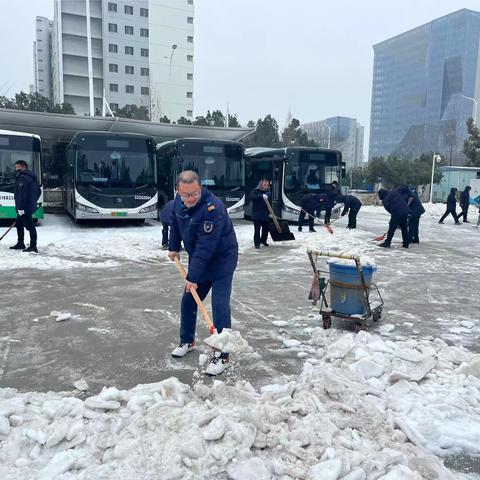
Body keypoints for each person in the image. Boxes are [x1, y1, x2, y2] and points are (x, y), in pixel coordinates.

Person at [168, 171, 238, 376]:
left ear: (200, 189)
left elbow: (206, 247)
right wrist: (173, 246)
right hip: (202, 261)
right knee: (188, 300)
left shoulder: (212, 208)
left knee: (219, 305)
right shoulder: (178, 203)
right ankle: (187, 341)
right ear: (178, 191)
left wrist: (193, 277)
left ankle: (223, 354)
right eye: (185, 195)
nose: (190, 199)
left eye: (194, 194)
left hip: (222, 261)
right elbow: (175, 224)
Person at [9, 160, 40, 253]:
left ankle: (33, 246)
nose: (16, 169)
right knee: (19, 224)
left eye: (17, 167)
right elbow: (38, 192)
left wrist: (21, 208)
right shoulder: (29, 177)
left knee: (30, 226)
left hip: (24, 208)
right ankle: (20, 243)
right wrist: (32, 202)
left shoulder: (24, 178)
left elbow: (22, 195)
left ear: (23, 167)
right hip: (24, 207)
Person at [250, 179, 271, 248]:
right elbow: (253, 197)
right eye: (264, 185)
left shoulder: (268, 192)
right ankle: (257, 243)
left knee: (266, 229)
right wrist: (261, 196)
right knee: (257, 230)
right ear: (261, 185)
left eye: (267, 185)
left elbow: (269, 204)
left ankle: (263, 241)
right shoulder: (255, 191)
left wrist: (270, 212)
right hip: (257, 214)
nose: (266, 187)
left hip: (265, 214)